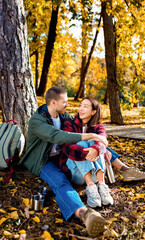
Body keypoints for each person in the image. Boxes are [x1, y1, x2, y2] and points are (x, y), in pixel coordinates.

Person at [20, 86, 107, 237]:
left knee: (91, 147)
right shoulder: (37, 120)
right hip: (43, 161)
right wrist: (90, 137)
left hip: (62, 157)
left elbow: (87, 129)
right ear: (53, 102)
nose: (68, 105)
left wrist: (100, 147)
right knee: (60, 182)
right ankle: (84, 214)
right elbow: (58, 136)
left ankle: (121, 169)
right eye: (65, 102)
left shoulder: (63, 117)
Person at [59, 97, 113, 208]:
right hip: (75, 173)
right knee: (82, 143)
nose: (81, 109)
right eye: (81, 105)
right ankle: (91, 188)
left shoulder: (98, 126)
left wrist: (96, 150)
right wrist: (88, 153)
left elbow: (103, 140)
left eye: (86, 106)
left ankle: (102, 186)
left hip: (95, 174)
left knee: (97, 143)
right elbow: (66, 145)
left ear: (93, 112)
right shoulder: (70, 124)